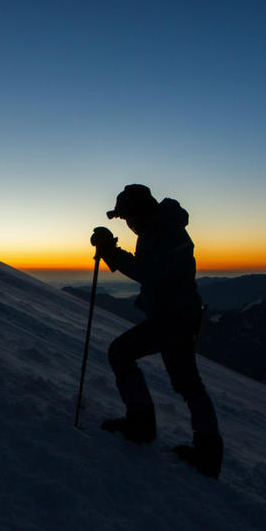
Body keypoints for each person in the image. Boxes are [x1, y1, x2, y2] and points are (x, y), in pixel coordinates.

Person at [90, 184, 223, 478]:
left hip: (173, 319)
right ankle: (207, 451)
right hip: (177, 316)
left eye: (128, 217)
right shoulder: (160, 228)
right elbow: (150, 270)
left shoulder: (166, 231)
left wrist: (111, 251)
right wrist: (113, 251)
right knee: (187, 383)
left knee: (122, 354)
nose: (128, 224)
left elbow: (148, 272)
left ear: (141, 212)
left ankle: (143, 426)